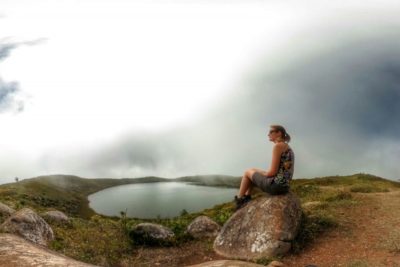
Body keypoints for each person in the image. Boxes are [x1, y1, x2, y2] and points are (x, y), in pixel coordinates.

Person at [234, 125, 295, 210]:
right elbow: (279, 171)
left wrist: (259, 171)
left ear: (279, 133)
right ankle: (247, 197)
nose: (268, 134)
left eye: (271, 132)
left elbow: (271, 173)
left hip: (276, 186)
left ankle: (240, 200)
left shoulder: (278, 146)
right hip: (284, 186)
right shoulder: (287, 147)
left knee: (247, 172)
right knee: (252, 171)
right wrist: (258, 171)